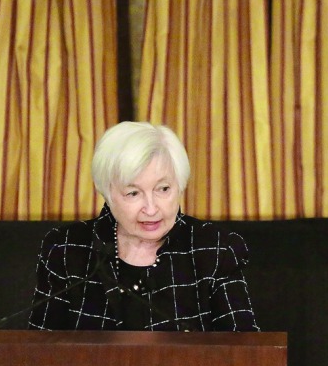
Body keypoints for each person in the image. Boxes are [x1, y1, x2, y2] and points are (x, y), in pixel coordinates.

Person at [28, 122, 258, 332]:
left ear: (180, 184)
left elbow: (243, 352)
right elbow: (39, 354)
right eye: (133, 193)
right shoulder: (66, 248)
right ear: (107, 194)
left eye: (163, 189)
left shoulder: (215, 248)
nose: (151, 208)